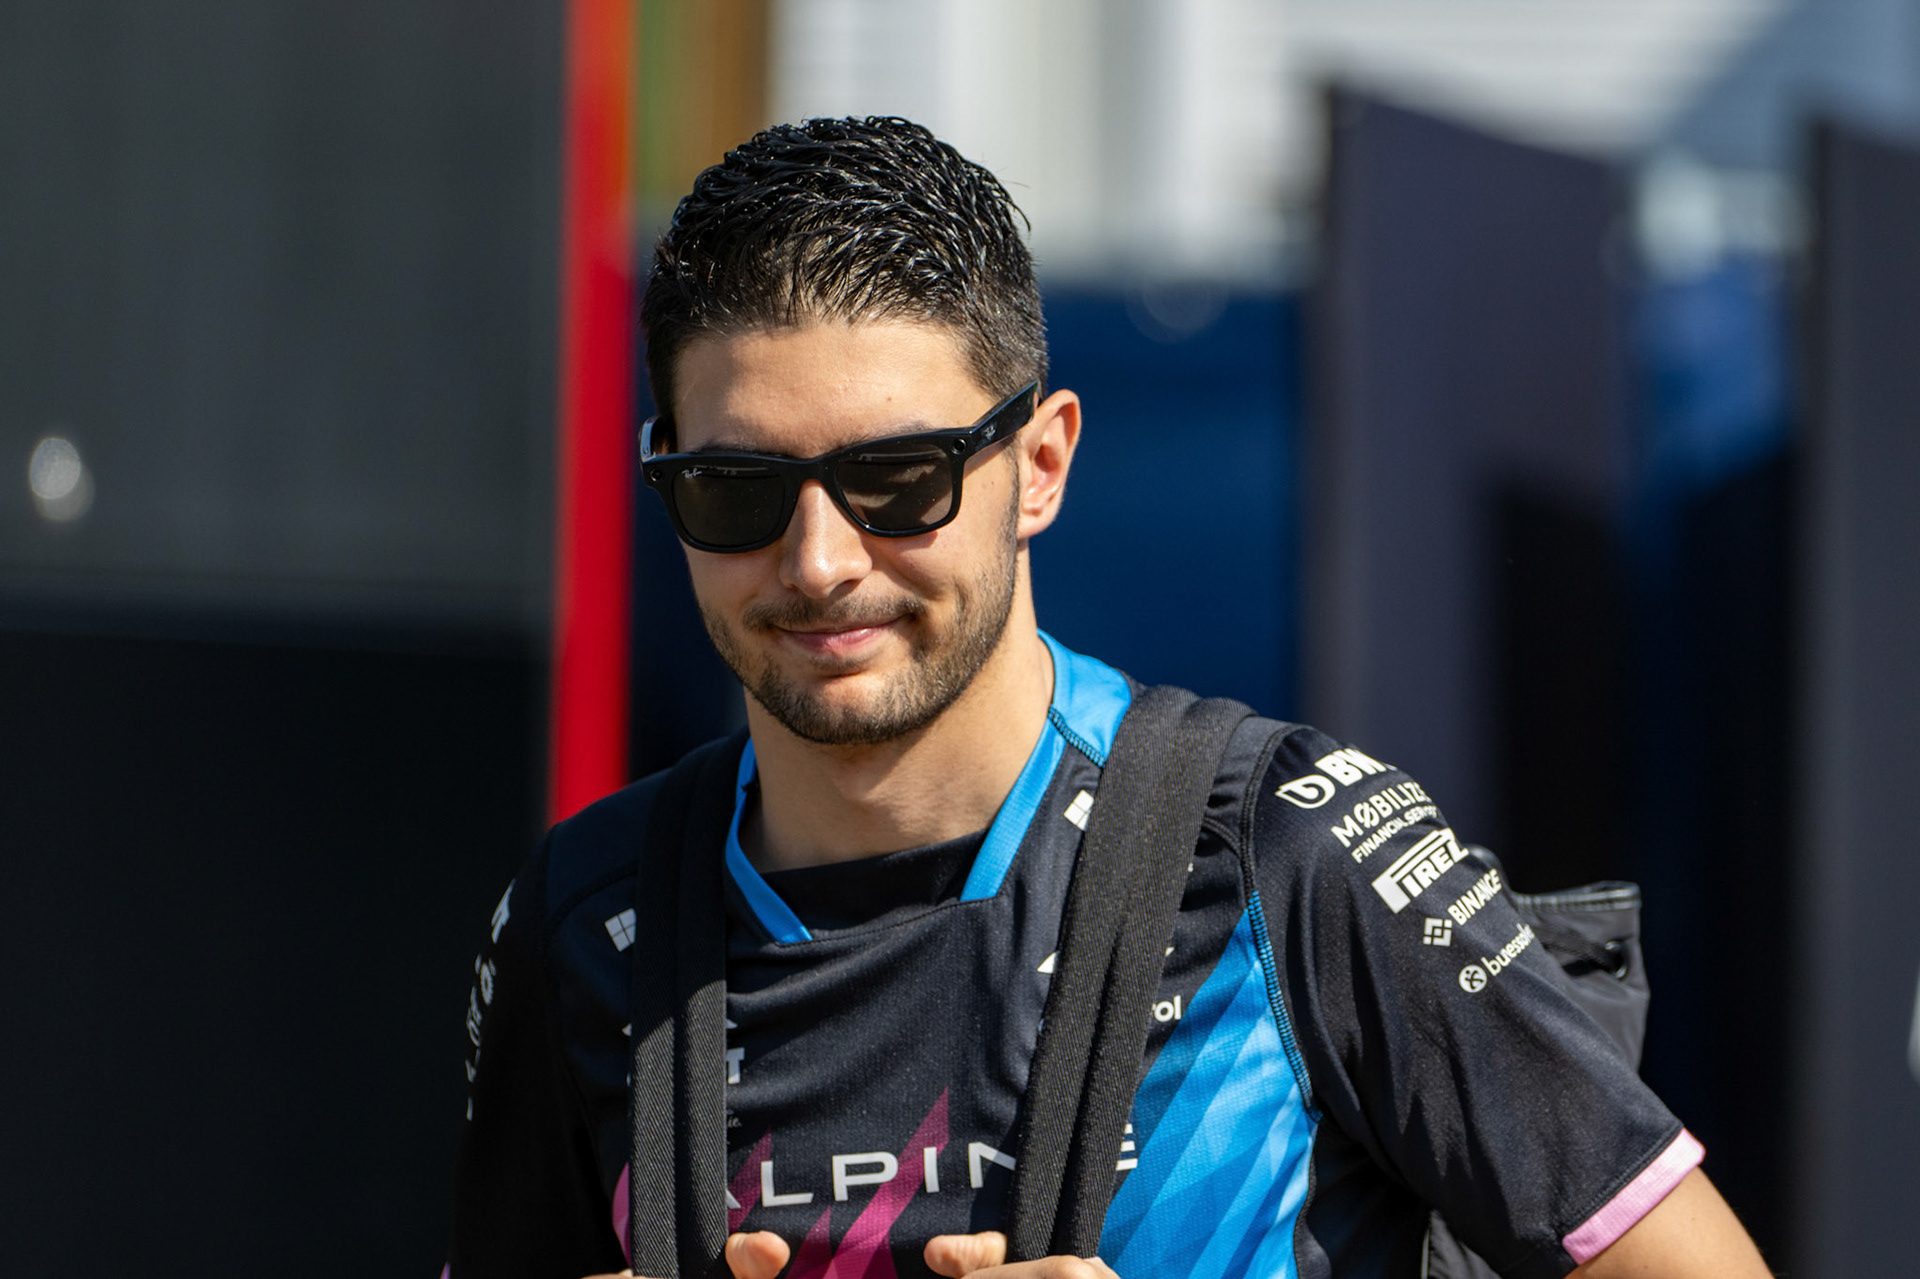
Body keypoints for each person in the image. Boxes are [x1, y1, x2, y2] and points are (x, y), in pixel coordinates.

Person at [444, 116, 1770, 1279]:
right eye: (735, 489)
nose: (820, 561)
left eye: (898, 479)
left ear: (1041, 464)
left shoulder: (1292, 856)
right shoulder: (586, 918)